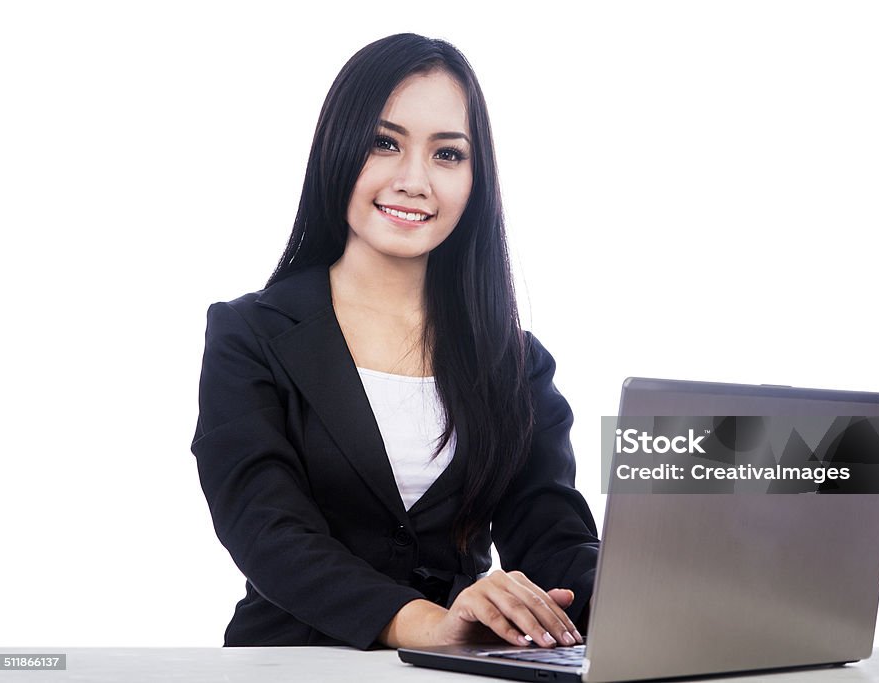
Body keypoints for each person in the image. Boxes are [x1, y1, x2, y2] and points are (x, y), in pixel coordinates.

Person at [190, 33, 599, 651]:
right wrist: (428, 623)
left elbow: (551, 537)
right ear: (338, 148)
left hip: (463, 669)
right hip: (291, 663)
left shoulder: (516, 362)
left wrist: (652, 594)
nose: (414, 180)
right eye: (385, 143)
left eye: (447, 154)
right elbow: (266, 530)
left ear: (474, 177)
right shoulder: (250, 335)